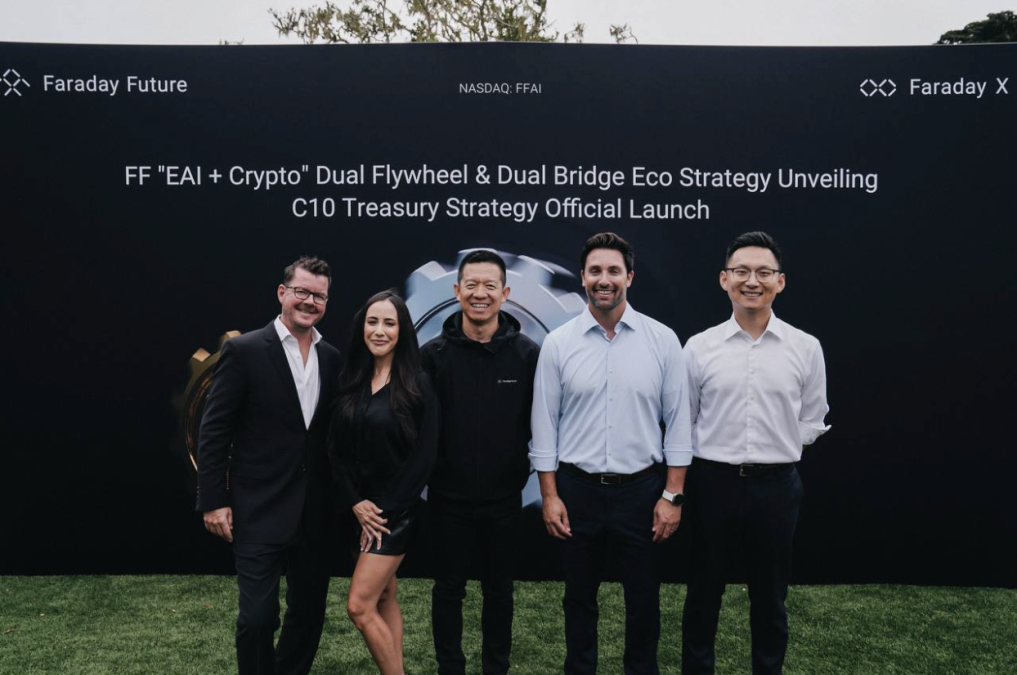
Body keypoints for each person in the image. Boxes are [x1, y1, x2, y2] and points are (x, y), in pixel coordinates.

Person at [530, 232, 693, 675]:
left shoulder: (662, 340)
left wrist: (672, 496)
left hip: (642, 493)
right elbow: (544, 426)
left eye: (614, 271)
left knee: (643, 600)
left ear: (630, 277)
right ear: (583, 277)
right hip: (576, 491)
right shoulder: (559, 343)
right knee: (578, 598)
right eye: (596, 271)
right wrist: (550, 496)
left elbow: (679, 424)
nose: (605, 280)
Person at [681, 231, 831, 675]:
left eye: (763, 272)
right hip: (712, 484)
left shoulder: (805, 347)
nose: (752, 281)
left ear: (779, 282)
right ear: (724, 279)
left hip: (776, 487)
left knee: (770, 598)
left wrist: (776, 447)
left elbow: (813, 419)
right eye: (741, 271)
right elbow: (684, 420)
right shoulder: (699, 347)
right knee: (703, 594)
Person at [196, 256, 342, 675]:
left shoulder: (332, 357)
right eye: (301, 292)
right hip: (258, 508)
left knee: (308, 615)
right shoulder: (243, 351)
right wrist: (213, 501)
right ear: (282, 293)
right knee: (258, 618)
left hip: (314, 512)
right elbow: (214, 431)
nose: (309, 301)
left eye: (319, 296)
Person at [420, 250, 540, 675]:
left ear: (505, 293)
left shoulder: (527, 355)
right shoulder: (431, 356)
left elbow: (540, 427)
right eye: (471, 285)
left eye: (490, 285)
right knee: (448, 590)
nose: (480, 293)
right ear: (457, 291)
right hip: (446, 501)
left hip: (504, 501)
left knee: (500, 591)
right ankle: (450, 667)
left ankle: (496, 668)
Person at [328, 289, 439, 675]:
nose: (379, 330)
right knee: (385, 595)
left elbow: (425, 457)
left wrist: (382, 511)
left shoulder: (418, 384)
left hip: (393, 513)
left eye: (389, 323)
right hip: (356, 509)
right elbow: (334, 450)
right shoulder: (351, 379)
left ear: (402, 330)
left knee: (359, 606)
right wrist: (355, 503)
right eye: (372, 322)